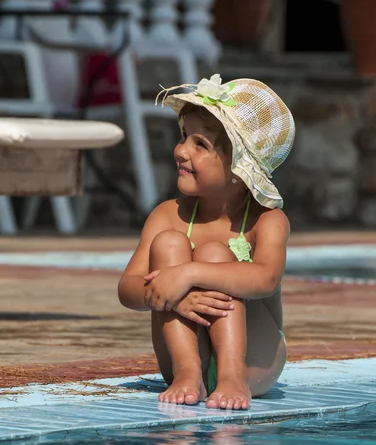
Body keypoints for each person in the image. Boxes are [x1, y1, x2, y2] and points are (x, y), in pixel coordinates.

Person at [118, 74, 295, 411]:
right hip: (184, 361)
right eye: (184, 137)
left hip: (253, 362)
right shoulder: (167, 215)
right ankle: (188, 372)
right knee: (168, 243)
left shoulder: (266, 220)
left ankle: (230, 375)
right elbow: (126, 289)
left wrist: (188, 275)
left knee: (216, 254)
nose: (182, 151)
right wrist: (169, 298)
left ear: (237, 168)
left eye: (201, 144)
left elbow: (266, 278)